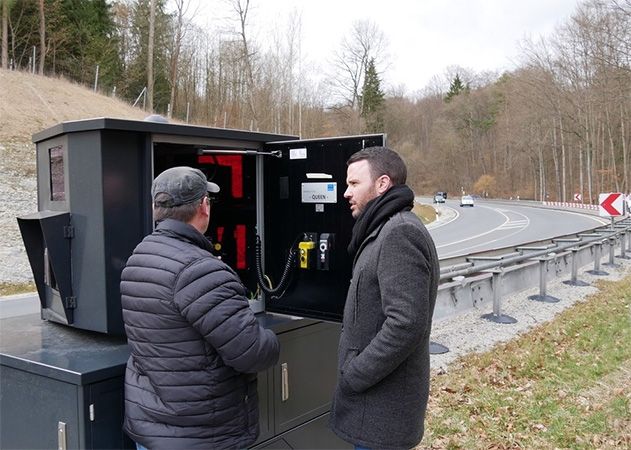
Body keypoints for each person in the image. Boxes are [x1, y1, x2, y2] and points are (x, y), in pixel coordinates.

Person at [120, 166, 280, 450]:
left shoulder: (140, 256)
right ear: (204, 206)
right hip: (202, 435)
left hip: (152, 428)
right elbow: (252, 353)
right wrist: (269, 338)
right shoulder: (202, 271)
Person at [330, 147, 439, 449]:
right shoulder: (383, 228)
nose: (345, 193)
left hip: (382, 409)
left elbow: (406, 324)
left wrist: (356, 373)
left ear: (382, 184)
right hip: (375, 407)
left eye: (353, 184)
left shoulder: (399, 233)